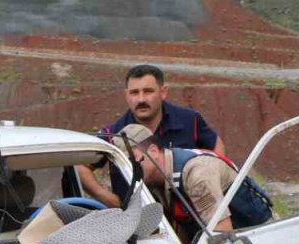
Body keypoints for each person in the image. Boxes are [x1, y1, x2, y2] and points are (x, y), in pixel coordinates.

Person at [79, 64, 226, 208]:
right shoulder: (113, 134)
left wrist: (214, 182)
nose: (141, 99)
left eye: (148, 91)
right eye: (134, 92)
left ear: (163, 92)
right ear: (126, 95)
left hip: (188, 215)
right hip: (136, 220)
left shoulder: (189, 120)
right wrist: (109, 199)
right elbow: (81, 166)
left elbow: (215, 145)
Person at [125, 124, 260, 244]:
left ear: (153, 151)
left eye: (132, 160)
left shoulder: (196, 174)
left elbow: (222, 234)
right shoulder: (159, 178)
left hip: (259, 240)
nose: (129, 168)